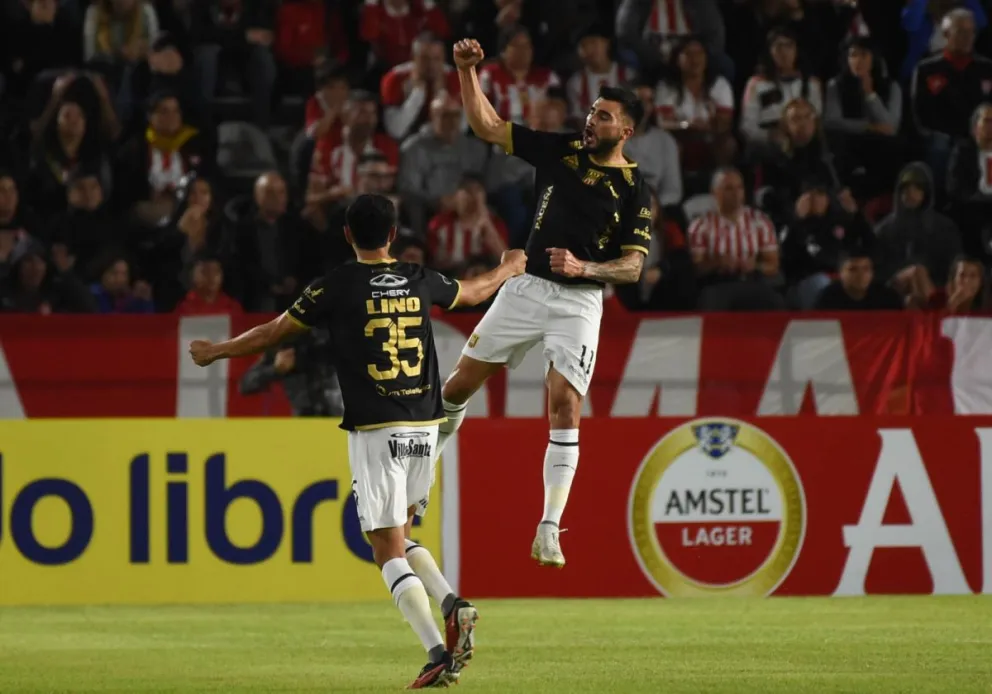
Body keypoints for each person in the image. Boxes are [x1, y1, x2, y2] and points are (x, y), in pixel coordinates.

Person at [188, 193, 527, 689]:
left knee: (384, 548)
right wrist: (509, 267)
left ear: (347, 235)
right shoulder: (418, 277)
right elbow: (474, 293)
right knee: (402, 534)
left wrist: (216, 351)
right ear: (393, 235)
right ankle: (453, 605)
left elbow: (274, 334)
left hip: (377, 427)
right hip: (425, 425)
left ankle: (436, 650)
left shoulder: (336, 286)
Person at [435, 38, 652, 569]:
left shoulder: (633, 188)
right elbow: (487, 127)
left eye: (603, 117)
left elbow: (633, 266)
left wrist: (586, 269)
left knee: (564, 403)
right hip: (526, 288)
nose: (590, 120)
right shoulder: (560, 151)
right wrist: (468, 72)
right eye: (591, 111)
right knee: (458, 385)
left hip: (579, 303)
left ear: (624, 131)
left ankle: (550, 527)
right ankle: (423, 475)